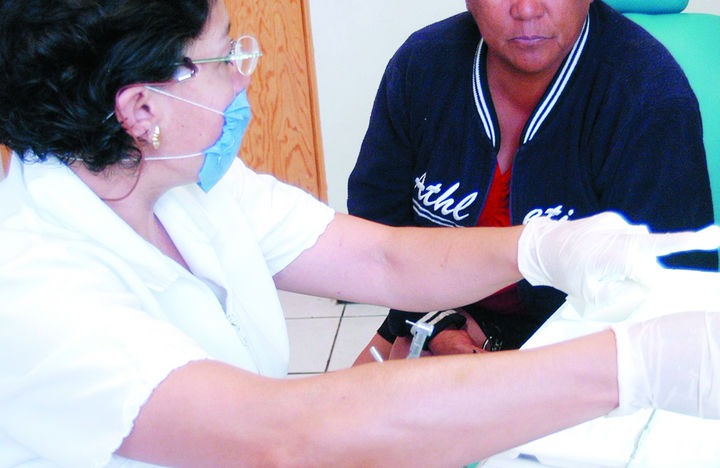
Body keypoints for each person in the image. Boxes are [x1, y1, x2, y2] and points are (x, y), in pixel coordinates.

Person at [0, 1, 719, 466]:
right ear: (140, 109)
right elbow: (282, 435)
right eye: (225, 59)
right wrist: (631, 367)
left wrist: (541, 248)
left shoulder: (182, 183)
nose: (245, 79)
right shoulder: (34, 293)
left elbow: (379, 255)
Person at [348, 0, 718, 363]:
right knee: (351, 399)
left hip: (587, 342)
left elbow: (670, 295)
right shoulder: (422, 64)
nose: (526, 10)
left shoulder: (648, 94)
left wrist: (512, 367)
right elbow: (378, 227)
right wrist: (437, 324)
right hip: (442, 312)